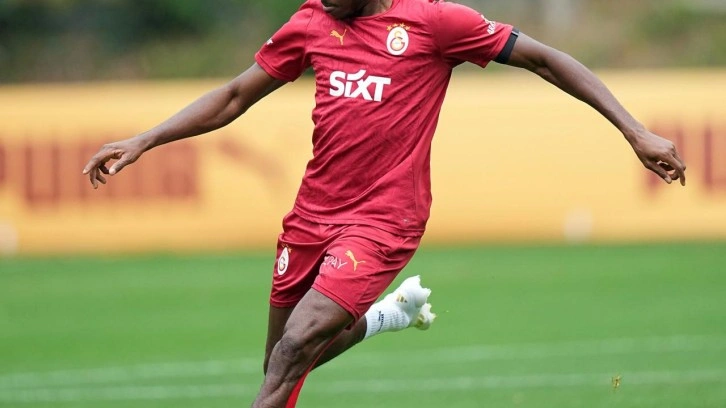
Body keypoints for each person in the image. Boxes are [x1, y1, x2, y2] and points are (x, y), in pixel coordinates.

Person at [83, 0, 687, 406]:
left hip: (385, 220)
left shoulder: (435, 23)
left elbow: (545, 59)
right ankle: (384, 317)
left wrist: (634, 131)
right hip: (310, 216)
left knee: (294, 349)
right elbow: (236, 94)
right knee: (281, 363)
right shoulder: (311, 23)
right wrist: (145, 140)